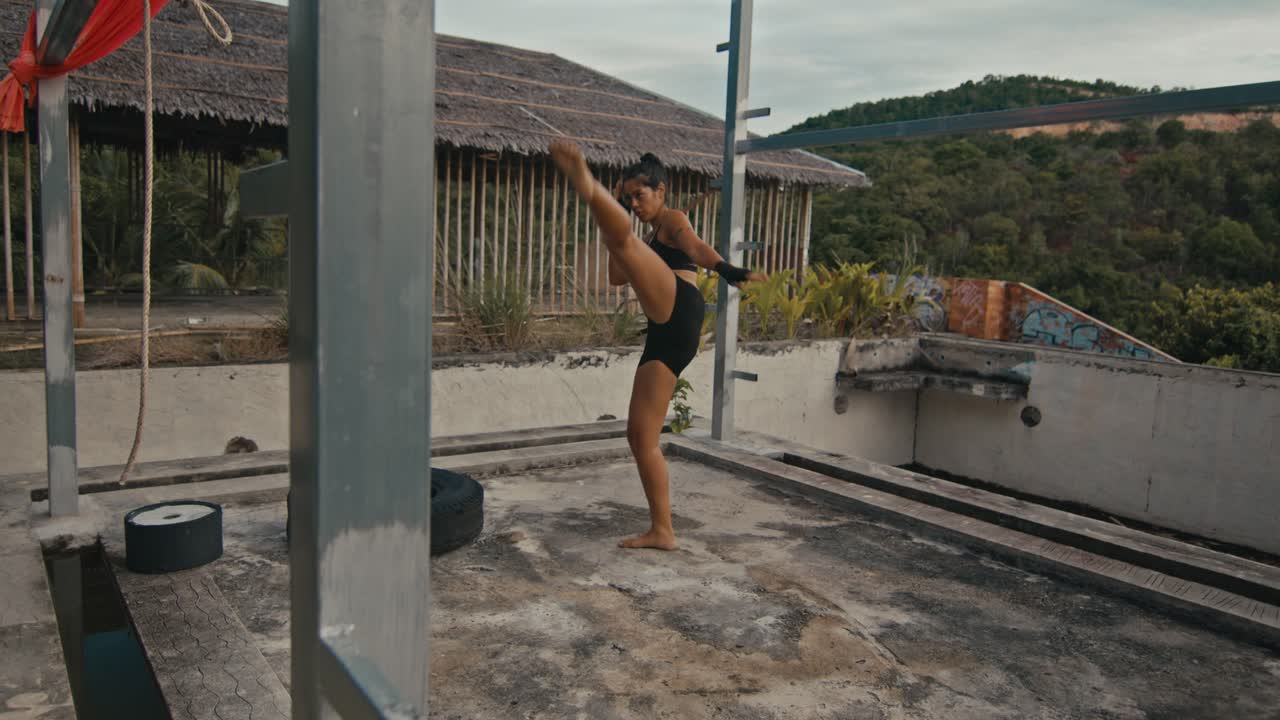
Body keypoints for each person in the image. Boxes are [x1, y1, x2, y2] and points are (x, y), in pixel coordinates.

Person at [549, 140, 764, 550]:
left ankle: (586, 184)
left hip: (680, 307)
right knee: (640, 436)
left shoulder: (672, 219)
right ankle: (662, 530)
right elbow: (616, 274)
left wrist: (724, 267)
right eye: (627, 197)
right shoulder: (646, 237)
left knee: (625, 241)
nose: (634, 203)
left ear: (661, 192)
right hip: (665, 334)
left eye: (639, 195)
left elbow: (694, 247)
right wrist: (617, 221)